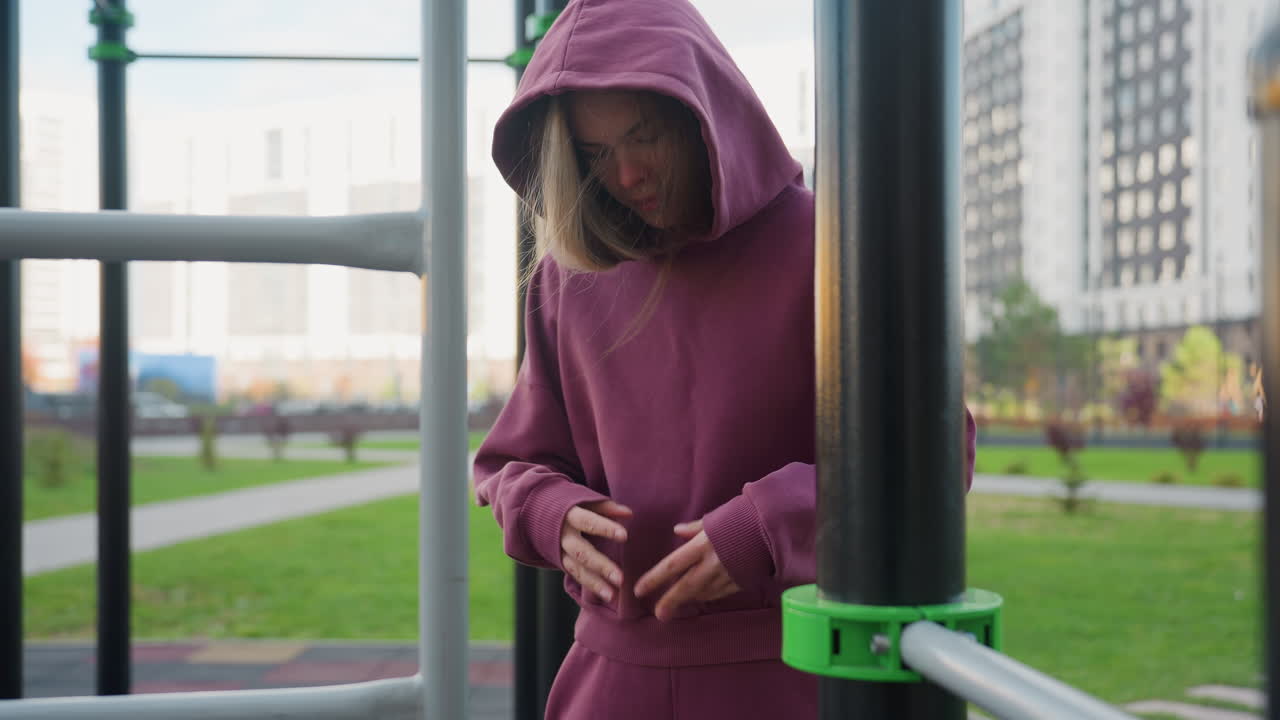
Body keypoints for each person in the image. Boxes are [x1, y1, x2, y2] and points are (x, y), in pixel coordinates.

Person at [473, 1, 977, 717]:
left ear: (703, 106)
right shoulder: (567, 279)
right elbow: (509, 464)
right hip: (608, 685)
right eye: (595, 153)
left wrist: (766, 526)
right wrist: (547, 510)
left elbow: (933, 455)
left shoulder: (823, 242)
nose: (627, 173)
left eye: (644, 134)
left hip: (784, 678)